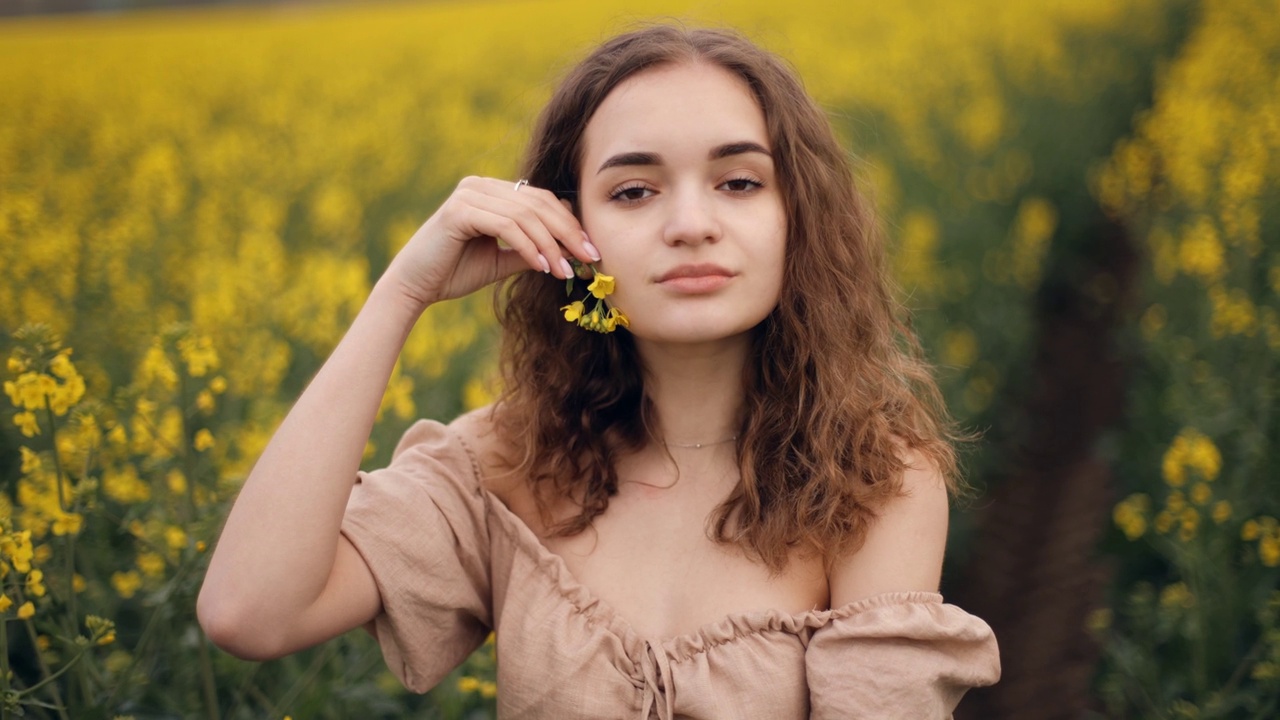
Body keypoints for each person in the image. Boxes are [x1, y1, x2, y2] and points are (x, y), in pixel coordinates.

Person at [198, 24, 1001, 719]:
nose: (691, 225)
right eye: (634, 191)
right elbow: (249, 614)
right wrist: (402, 293)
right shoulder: (509, 463)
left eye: (740, 182)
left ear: (798, 216)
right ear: (564, 224)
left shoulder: (872, 480)